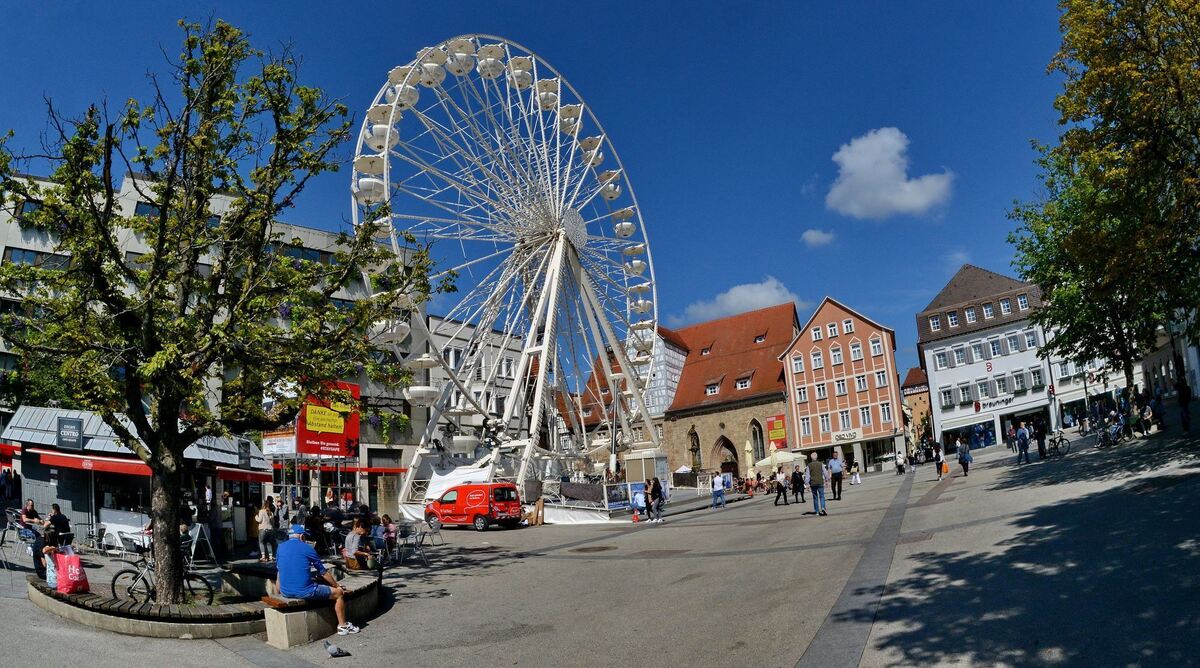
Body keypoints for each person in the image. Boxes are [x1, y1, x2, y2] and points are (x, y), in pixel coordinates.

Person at [276, 527, 359, 635]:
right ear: (302, 536)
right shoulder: (307, 548)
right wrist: (336, 585)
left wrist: (279, 593)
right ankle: (343, 626)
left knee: (316, 582)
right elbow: (323, 572)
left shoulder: (280, 547)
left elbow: (279, 572)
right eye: (304, 537)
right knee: (338, 593)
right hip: (304, 591)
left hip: (285, 592)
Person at [256, 496, 278, 562]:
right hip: (270, 529)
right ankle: (271, 556)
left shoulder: (261, 511)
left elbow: (259, 520)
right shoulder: (270, 512)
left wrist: (256, 517)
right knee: (269, 543)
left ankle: (263, 556)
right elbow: (273, 522)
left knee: (261, 542)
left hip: (263, 529)